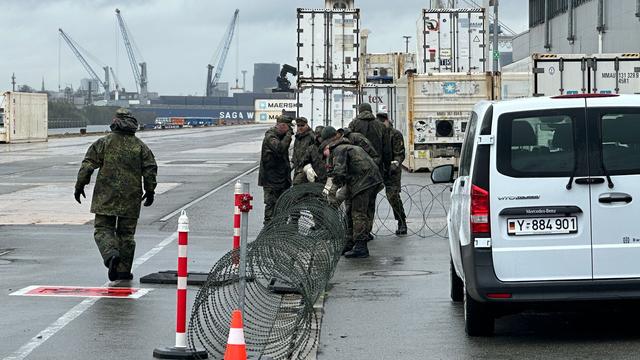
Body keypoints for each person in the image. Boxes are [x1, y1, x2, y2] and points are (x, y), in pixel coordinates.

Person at [74, 108, 157, 282]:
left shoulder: (103, 143)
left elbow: (88, 164)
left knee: (103, 229)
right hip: (131, 197)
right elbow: (150, 169)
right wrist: (150, 190)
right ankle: (123, 271)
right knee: (126, 235)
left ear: (115, 122)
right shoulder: (140, 146)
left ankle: (111, 255)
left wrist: (80, 185)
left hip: (106, 197)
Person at [321, 126, 383, 258]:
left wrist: (332, 190)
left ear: (328, 141)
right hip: (371, 180)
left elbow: (339, 173)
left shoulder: (339, 149)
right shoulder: (350, 146)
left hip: (363, 182)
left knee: (358, 213)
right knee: (351, 211)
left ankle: (361, 246)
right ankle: (350, 243)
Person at [258, 115, 293, 224]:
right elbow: (280, 149)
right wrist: (288, 136)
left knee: (283, 204)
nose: (290, 130)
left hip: (282, 178)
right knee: (271, 205)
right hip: (271, 179)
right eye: (288, 127)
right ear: (282, 125)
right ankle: (268, 229)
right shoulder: (271, 137)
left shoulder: (280, 136)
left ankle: (280, 227)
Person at [377, 112, 407, 235]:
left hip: (392, 170)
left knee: (392, 196)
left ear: (387, 121)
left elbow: (399, 153)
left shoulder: (395, 134)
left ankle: (401, 221)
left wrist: (395, 164)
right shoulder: (377, 133)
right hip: (378, 168)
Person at [291, 117, 317, 185]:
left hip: (307, 168)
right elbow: (295, 151)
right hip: (298, 167)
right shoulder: (298, 137)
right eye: (298, 125)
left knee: (298, 186)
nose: (300, 127)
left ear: (307, 125)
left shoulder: (312, 136)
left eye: (302, 125)